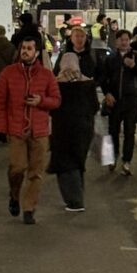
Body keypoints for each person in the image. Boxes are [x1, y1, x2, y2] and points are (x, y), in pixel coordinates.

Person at [0, 33, 60, 224]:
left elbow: (56, 100)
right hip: (16, 130)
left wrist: (41, 101)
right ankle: (14, 194)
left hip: (39, 131)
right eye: (23, 48)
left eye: (29, 49)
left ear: (37, 53)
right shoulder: (8, 73)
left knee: (36, 172)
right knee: (17, 168)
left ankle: (29, 208)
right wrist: (1, 127)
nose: (25, 52)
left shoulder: (46, 75)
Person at [48, 51, 99, 211]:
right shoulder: (88, 83)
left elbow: (51, 107)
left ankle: (75, 201)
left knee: (65, 164)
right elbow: (95, 107)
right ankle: (78, 195)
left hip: (62, 130)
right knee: (78, 163)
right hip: (84, 130)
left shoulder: (55, 84)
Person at [100, 29, 137, 175]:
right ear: (116, 41)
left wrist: (134, 66)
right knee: (112, 130)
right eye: (122, 40)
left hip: (131, 100)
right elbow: (103, 78)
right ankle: (112, 157)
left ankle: (127, 161)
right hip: (114, 100)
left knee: (129, 131)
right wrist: (107, 93)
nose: (124, 42)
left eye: (127, 40)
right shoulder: (111, 58)